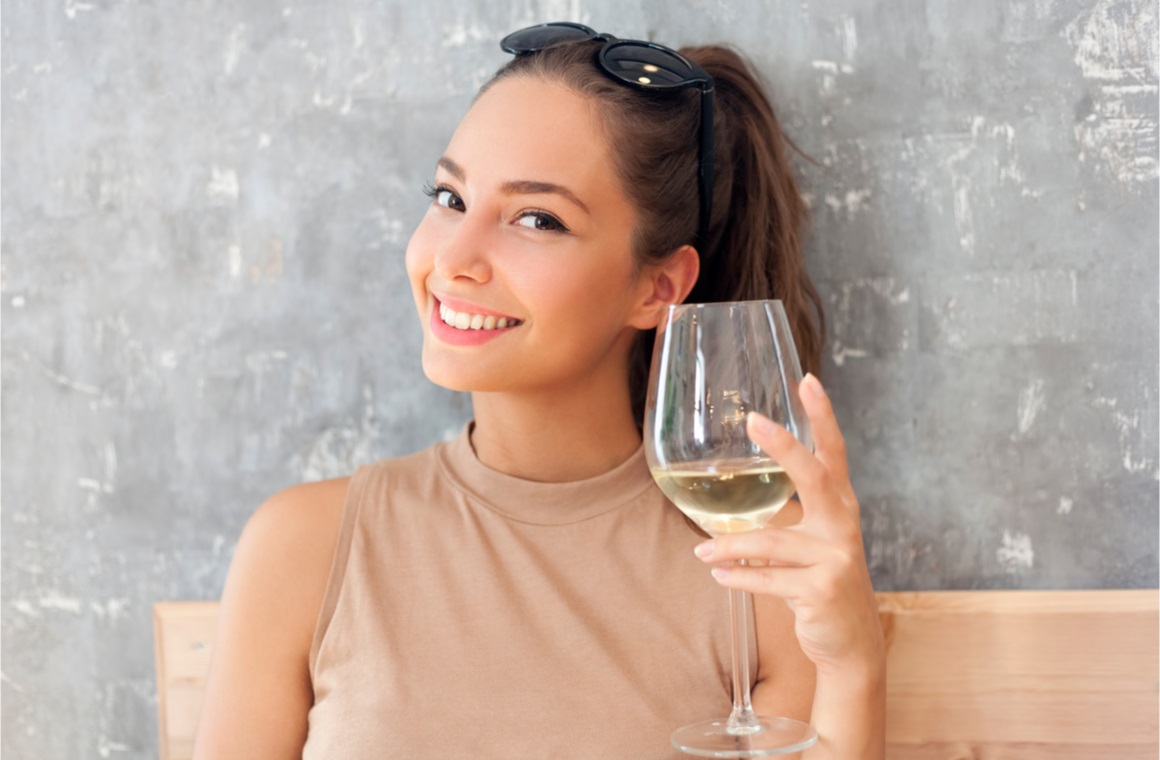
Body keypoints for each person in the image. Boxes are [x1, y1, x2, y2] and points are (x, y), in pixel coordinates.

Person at [194, 22, 885, 759]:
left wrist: (854, 665)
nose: (454, 259)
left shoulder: (761, 565)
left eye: (536, 218)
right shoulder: (303, 548)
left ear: (658, 289)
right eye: (450, 197)